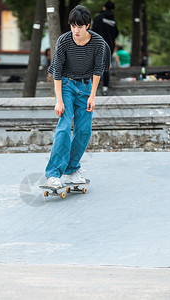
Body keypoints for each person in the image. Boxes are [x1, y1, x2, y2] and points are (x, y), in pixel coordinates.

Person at [45, 5, 111, 189]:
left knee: (84, 130)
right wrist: (59, 100)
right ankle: (52, 174)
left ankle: (72, 169)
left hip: (86, 86)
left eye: (80, 27)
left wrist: (92, 96)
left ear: (87, 26)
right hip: (65, 86)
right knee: (64, 127)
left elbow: (98, 70)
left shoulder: (98, 43)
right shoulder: (64, 41)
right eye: (73, 26)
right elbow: (56, 71)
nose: (76, 30)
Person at [92, 0, 118, 96]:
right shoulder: (113, 21)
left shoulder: (98, 18)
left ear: (104, 8)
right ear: (113, 10)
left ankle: (92, 88)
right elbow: (116, 33)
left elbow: (93, 30)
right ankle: (105, 88)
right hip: (109, 46)